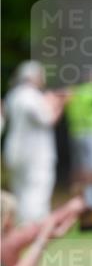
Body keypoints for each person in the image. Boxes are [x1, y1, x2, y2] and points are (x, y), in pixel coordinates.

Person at [2, 61, 69, 223]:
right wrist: (61, 102)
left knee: (19, 191)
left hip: (14, 150)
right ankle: (32, 227)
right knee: (37, 191)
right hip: (36, 153)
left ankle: (19, 224)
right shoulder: (31, 97)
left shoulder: (13, 95)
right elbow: (47, 119)